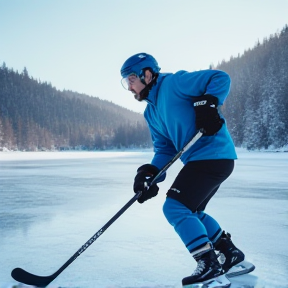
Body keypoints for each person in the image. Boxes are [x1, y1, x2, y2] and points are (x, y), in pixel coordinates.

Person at [120, 52, 246, 287]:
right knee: (192, 212)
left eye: (131, 79)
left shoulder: (174, 84)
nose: (129, 87)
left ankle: (208, 264)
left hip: (211, 154)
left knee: (175, 207)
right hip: (206, 160)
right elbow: (165, 149)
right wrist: (150, 173)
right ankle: (230, 254)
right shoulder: (151, 112)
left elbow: (220, 77)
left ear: (147, 74)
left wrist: (208, 103)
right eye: (125, 82)